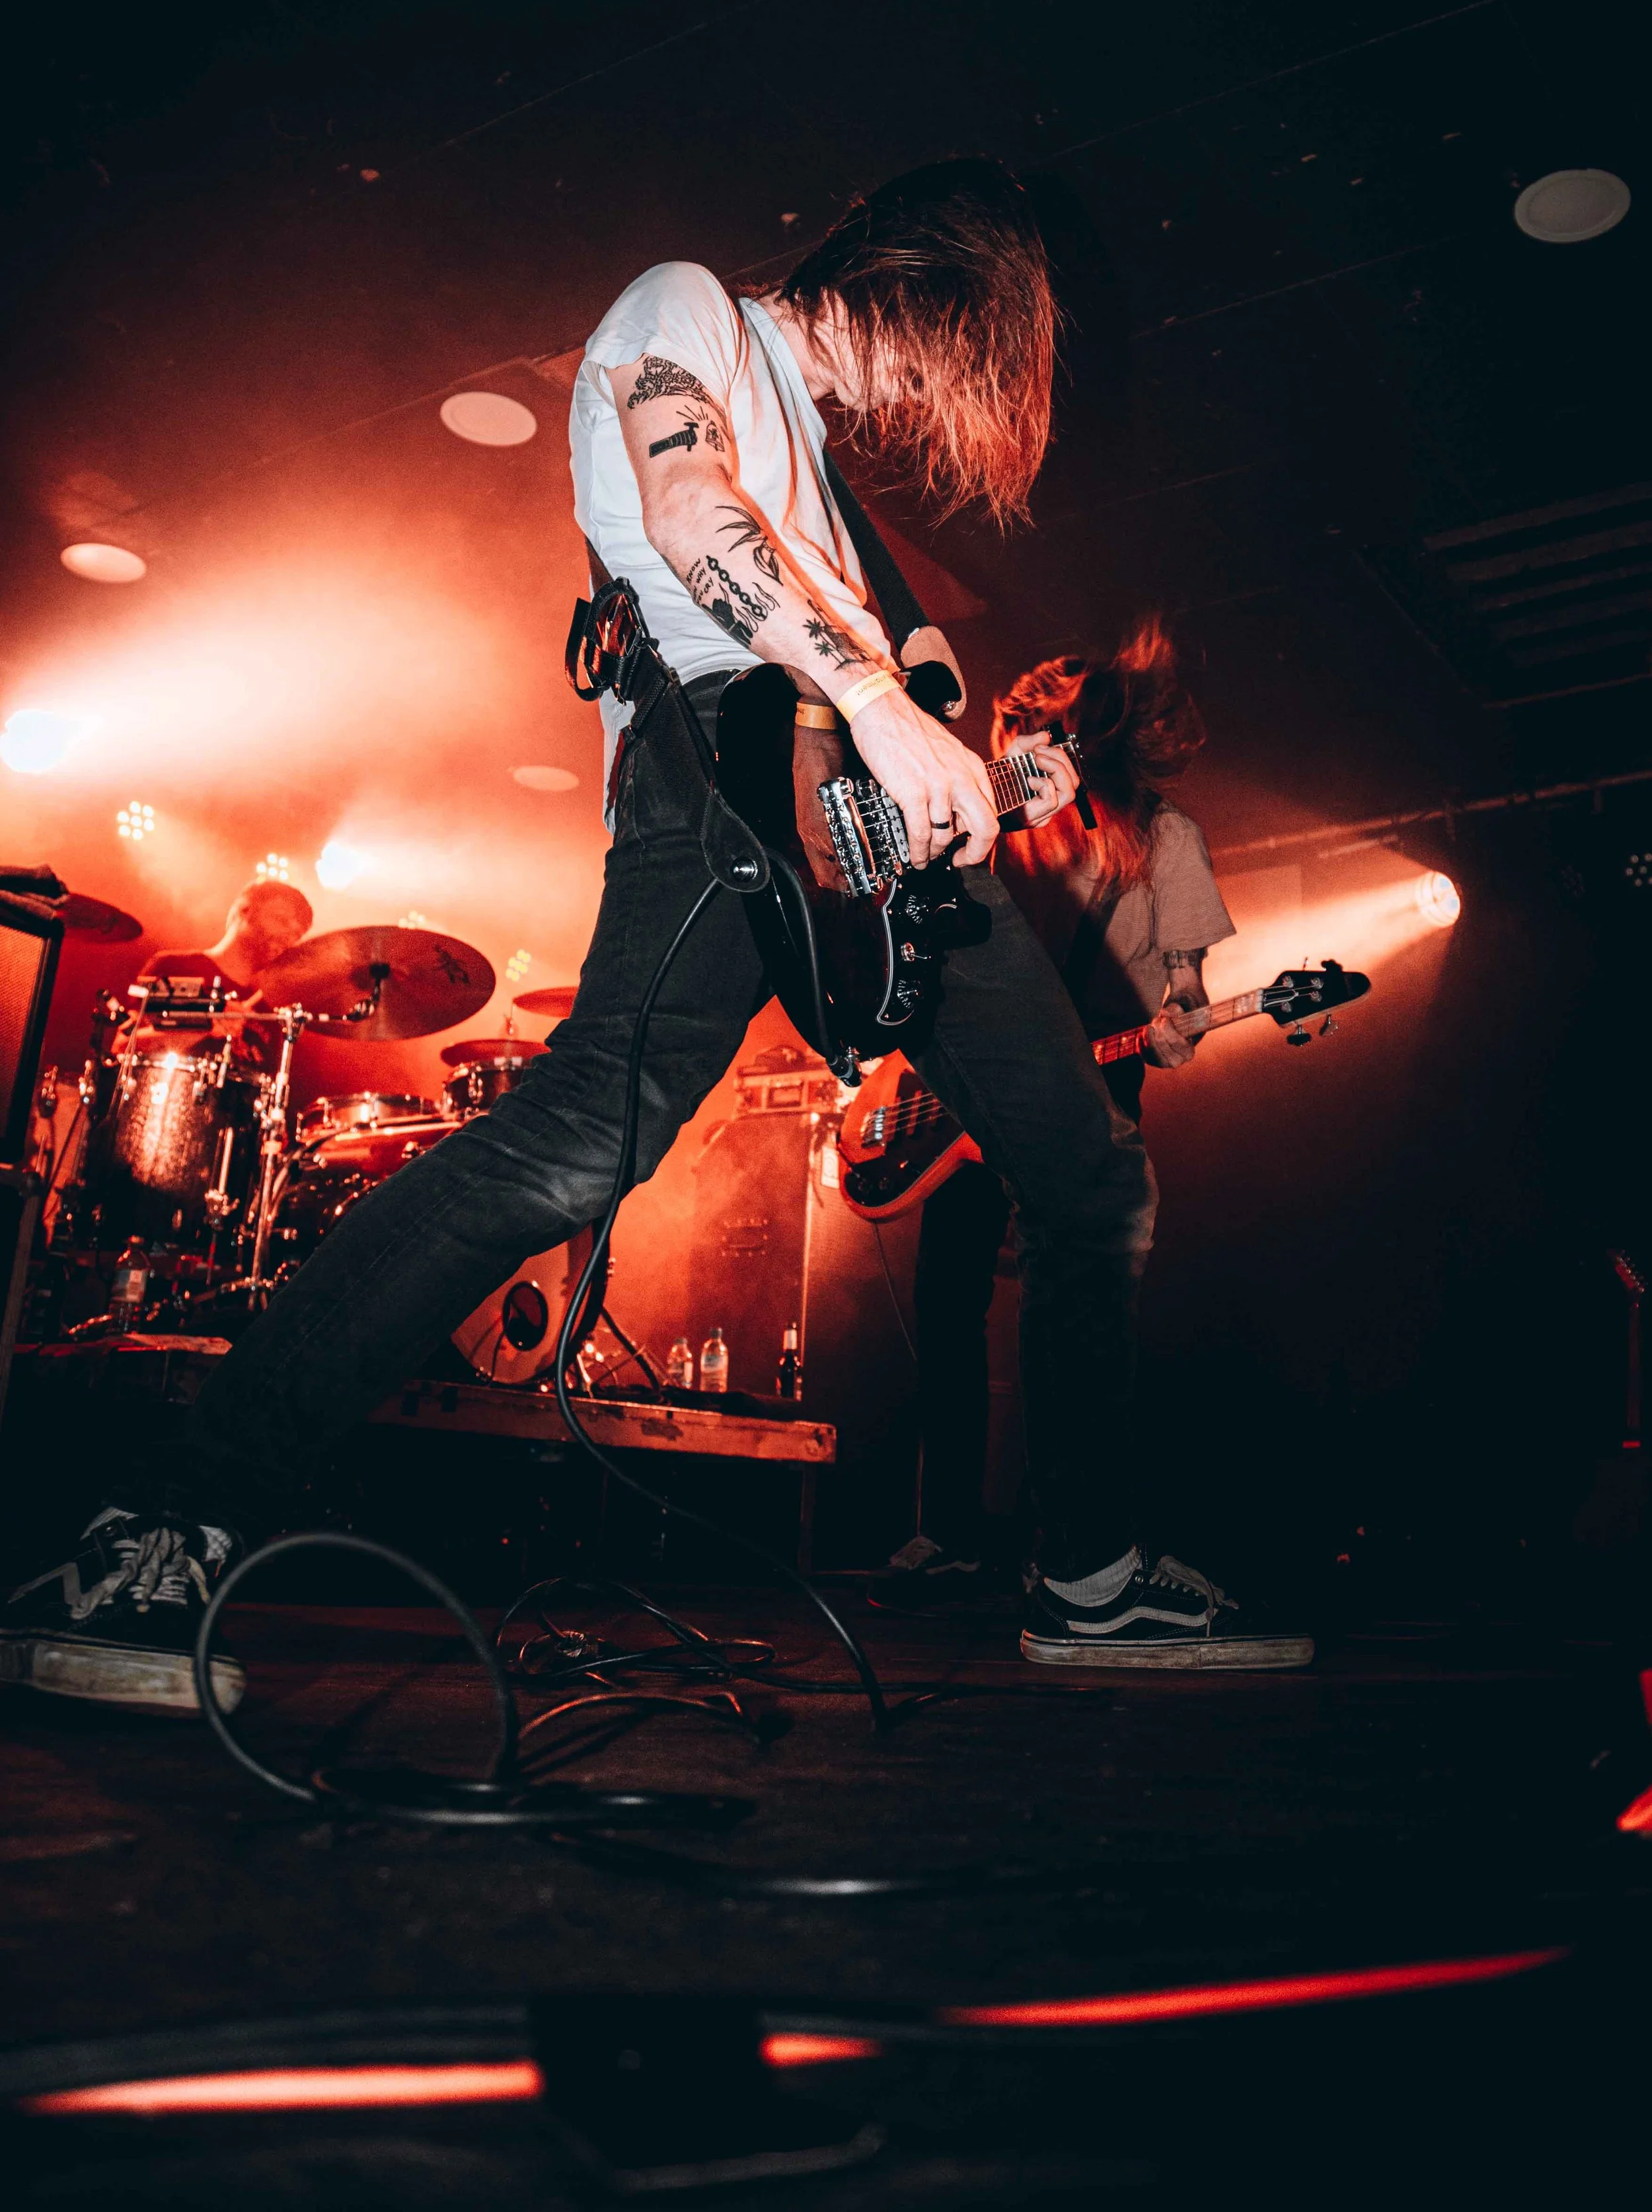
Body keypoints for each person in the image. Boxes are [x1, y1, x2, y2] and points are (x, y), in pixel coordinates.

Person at [5, 159, 1310, 1708]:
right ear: (909, 288)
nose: (931, 398)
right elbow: (692, 513)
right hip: (717, 768)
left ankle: (1091, 1574)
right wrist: (885, 706)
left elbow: (926, 702)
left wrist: (991, 768)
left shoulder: (838, 498)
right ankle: (167, 1527)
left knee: (1094, 1175)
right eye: (949, 356)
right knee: (569, 1146)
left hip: (867, 860)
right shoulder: (689, 308)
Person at [874, 625, 1236, 1607]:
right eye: (1018, 723)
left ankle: (1069, 1547)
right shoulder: (996, 821)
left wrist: (1181, 1024)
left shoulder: (1165, 838)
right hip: (972, 1098)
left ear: (1096, 733)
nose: (1024, 738)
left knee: (1070, 1297)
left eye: (1049, 721)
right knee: (949, 1309)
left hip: (1089, 1090)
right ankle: (948, 1532)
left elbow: (1188, 994)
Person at [138, 877, 314, 999]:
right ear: (244, 911)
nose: (288, 938)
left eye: (297, 935)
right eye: (282, 920)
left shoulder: (266, 1010)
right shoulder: (174, 968)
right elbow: (124, 1044)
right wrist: (206, 1023)